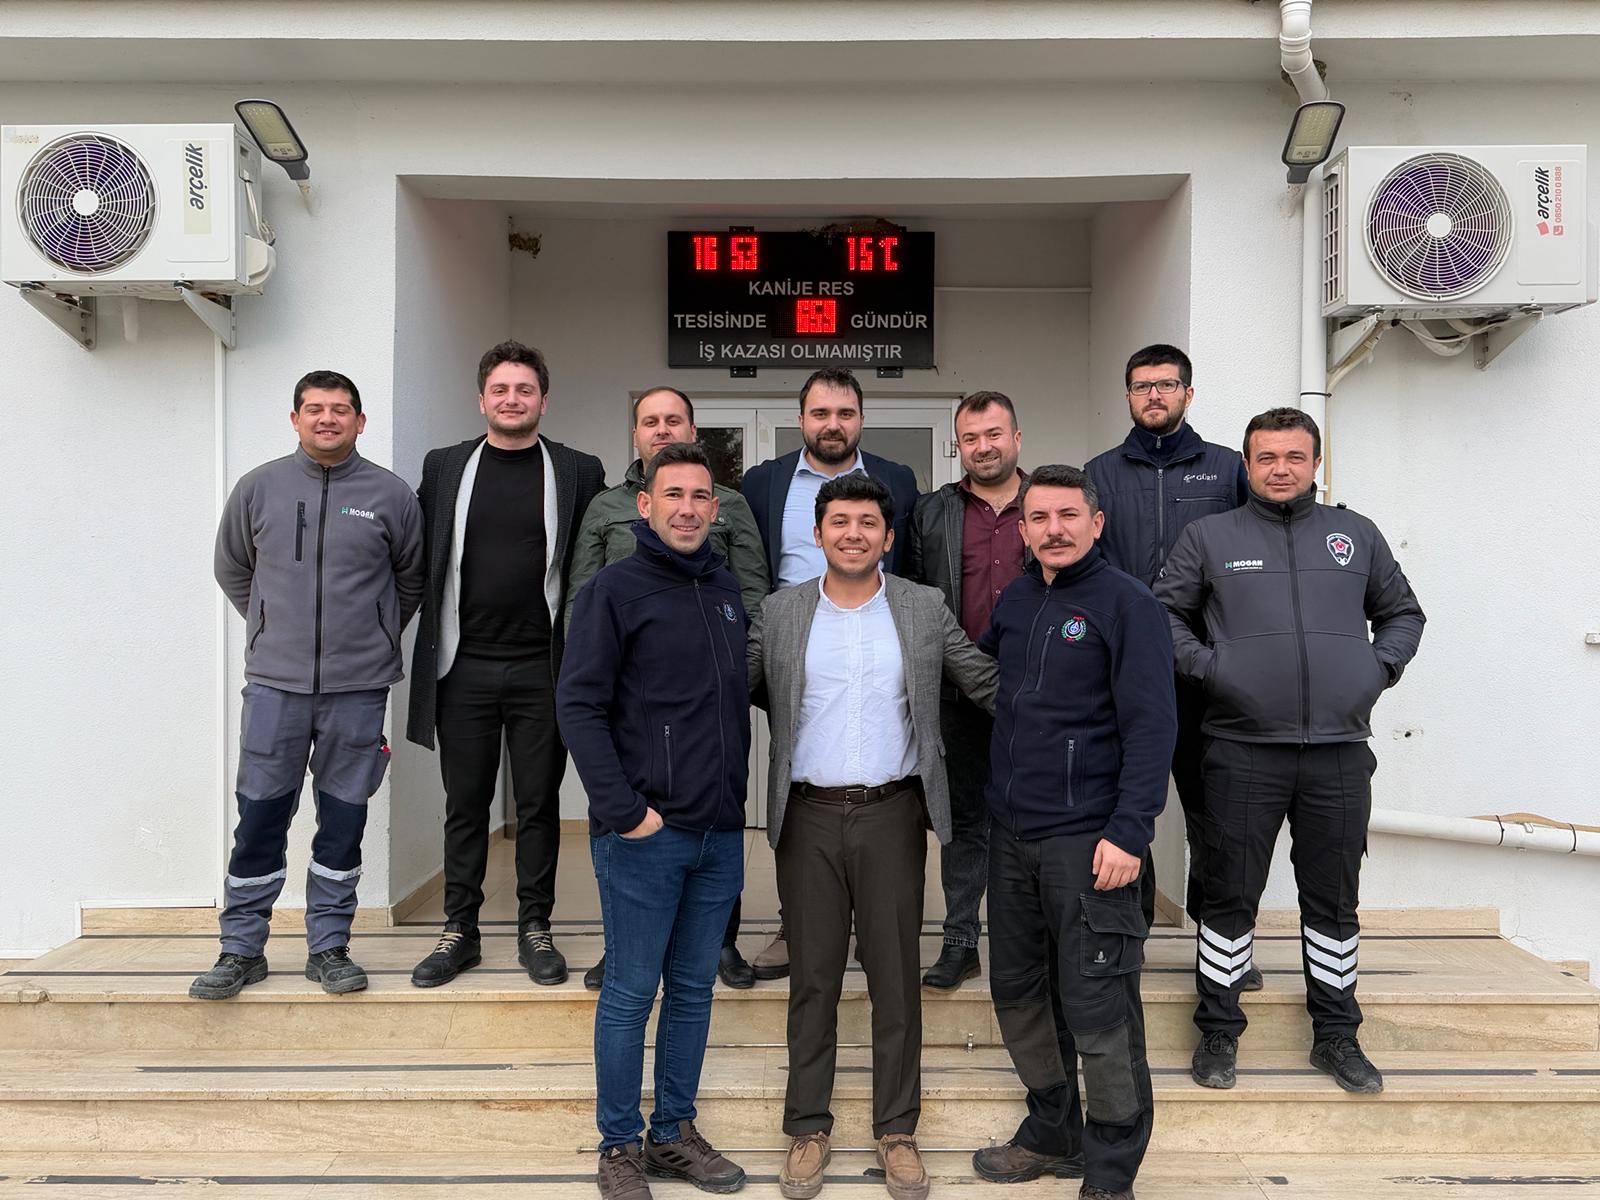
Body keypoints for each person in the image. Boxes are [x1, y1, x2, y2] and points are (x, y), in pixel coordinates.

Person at [1154, 407, 1425, 1096]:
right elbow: (1164, 614)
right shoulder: (1210, 536)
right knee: (1229, 895)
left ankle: (1336, 1036)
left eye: (1294, 456)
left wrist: (1376, 669)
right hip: (1241, 749)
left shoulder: (1355, 535)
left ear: (1316, 463)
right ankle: (1218, 1031)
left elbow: (1403, 613)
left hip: (1339, 751)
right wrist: (1213, 670)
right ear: (1247, 465)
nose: (1281, 469)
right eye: (1267, 457)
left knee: (1333, 901)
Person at [748, 474, 997, 1200]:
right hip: (807, 815)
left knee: (894, 978)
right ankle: (807, 1127)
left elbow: (984, 682)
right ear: (817, 534)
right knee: (813, 978)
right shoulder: (781, 611)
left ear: (888, 537)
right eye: (839, 521)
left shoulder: (922, 606)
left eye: (867, 523)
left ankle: (897, 1130)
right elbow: (726, 687)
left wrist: (1075, 704)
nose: (852, 533)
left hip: (893, 813)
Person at [558, 441, 751, 1200]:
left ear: (715, 507)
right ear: (645, 504)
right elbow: (579, 704)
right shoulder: (613, 590)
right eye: (673, 495)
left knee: (694, 991)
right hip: (646, 834)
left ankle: (672, 1133)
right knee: (631, 992)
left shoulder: (726, 589)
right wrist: (624, 812)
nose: (687, 508)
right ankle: (618, 1145)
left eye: (700, 496)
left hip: (719, 834)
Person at [978, 464, 1176, 1200]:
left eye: (1068, 515)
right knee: (1020, 992)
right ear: (1023, 528)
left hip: (1091, 842)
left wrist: (1130, 831)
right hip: (1013, 835)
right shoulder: (1017, 598)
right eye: (1039, 517)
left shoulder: (1128, 604)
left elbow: (1153, 726)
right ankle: (1051, 1130)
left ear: (1096, 523)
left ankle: (1112, 1169)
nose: (1053, 529)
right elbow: (993, 687)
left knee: (1099, 1008)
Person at [194, 370, 423, 1000]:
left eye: (341, 409)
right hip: (275, 687)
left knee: (342, 821)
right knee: (260, 817)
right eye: (315, 409)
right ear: (295, 419)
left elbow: (410, 579)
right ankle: (241, 949)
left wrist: (374, 634)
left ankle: (329, 947)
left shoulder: (390, 495)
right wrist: (274, 629)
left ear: (360, 421)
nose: (328, 419)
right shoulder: (258, 488)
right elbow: (233, 568)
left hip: (358, 689)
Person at [405, 340, 606, 988]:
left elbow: (595, 561)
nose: (512, 399)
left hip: (542, 670)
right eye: (501, 389)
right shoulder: (446, 466)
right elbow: (415, 553)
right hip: (462, 666)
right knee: (464, 804)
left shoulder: (577, 470)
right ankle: (458, 930)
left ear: (544, 400)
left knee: (538, 804)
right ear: (481, 399)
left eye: (524, 390)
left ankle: (534, 928)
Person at [569, 385, 769, 993]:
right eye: (650, 420)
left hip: (710, 735)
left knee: (693, 975)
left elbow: (752, 598)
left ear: (692, 429)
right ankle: (625, 945)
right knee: (632, 977)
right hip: (640, 722)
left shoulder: (730, 509)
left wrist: (729, 685)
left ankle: (721, 941)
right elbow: (582, 597)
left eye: (673, 419)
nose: (662, 429)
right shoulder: (606, 513)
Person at [739, 367, 920, 981]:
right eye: (820, 413)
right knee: (801, 789)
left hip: (874, 647)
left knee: (875, 783)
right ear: (801, 420)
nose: (833, 425)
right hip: (793, 657)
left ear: (861, 420)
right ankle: (798, 925)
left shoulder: (897, 480)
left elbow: (911, 567)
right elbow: (751, 567)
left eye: (844, 413)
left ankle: (874, 927)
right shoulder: (762, 482)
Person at [1084, 345, 1253, 976]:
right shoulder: (1099, 473)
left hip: (1206, 673)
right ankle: (1130, 932)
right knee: (1124, 804)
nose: (1153, 395)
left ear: (1188, 393)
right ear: (1128, 395)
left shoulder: (1229, 471)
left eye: (1166, 384)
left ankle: (1220, 942)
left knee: (1215, 814)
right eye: (1141, 386)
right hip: (1124, 671)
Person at [904, 390, 1026, 990]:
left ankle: (1028, 941)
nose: (983, 447)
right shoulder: (931, 512)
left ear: (1016, 438)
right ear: (958, 447)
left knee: (1034, 818)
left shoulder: (1050, 504)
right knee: (963, 821)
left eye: (993, 434)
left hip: (1038, 692)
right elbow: (911, 598)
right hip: (956, 692)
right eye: (971, 438)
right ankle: (960, 940)